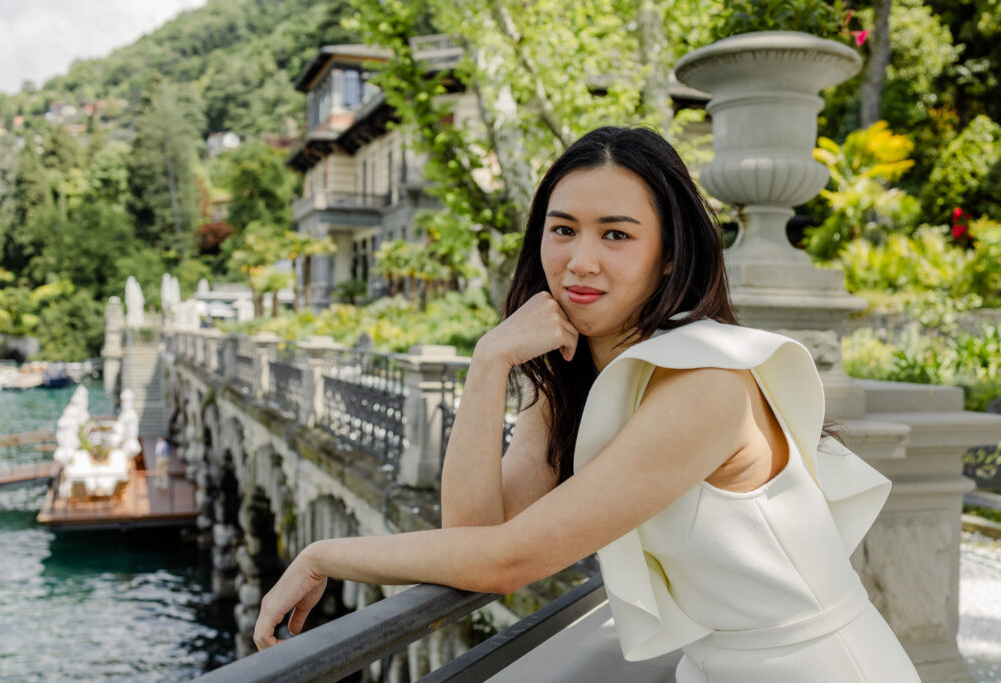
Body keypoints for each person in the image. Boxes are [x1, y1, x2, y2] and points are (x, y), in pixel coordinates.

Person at [254, 127, 919, 681]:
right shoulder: (579, 374)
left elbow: (508, 561)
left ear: (668, 256)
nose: (580, 260)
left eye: (616, 235)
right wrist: (489, 363)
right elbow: (474, 528)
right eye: (563, 229)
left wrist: (324, 554)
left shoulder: (707, 383)